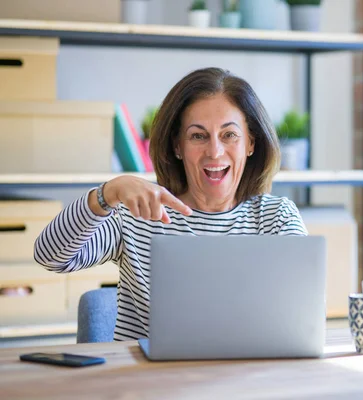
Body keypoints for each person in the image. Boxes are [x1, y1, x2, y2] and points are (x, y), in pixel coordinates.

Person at [34, 67, 308, 341]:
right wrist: (107, 194)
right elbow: (50, 255)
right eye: (198, 136)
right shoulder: (138, 215)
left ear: (251, 143)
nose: (214, 151)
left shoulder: (276, 218)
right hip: (149, 382)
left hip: (247, 379)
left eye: (229, 135)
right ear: (177, 146)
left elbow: (301, 314)